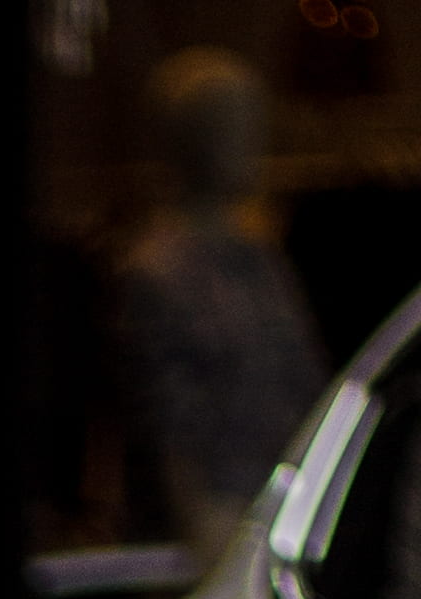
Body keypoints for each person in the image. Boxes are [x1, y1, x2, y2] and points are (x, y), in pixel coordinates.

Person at [120, 53, 330, 570]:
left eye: (248, 124)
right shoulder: (158, 272)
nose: (245, 142)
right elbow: (171, 434)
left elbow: (304, 388)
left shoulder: (263, 261)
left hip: (287, 518)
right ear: (186, 139)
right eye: (223, 125)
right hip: (218, 531)